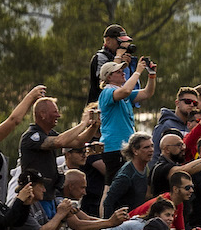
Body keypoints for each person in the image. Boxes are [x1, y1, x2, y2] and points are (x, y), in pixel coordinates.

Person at [95, 59, 154, 211]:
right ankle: (105, 220)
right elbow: (126, 91)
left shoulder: (123, 94)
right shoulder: (107, 92)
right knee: (111, 188)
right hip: (114, 146)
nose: (123, 73)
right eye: (118, 71)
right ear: (108, 77)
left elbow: (147, 93)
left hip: (124, 147)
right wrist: (138, 71)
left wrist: (151, 74)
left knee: (124, 186)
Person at [16, 97, 97, 201]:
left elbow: (78, 142)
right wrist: (83, 123)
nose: (58, 115)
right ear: (42, 114)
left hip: (49, 195)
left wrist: (93, 126)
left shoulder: (50, 134)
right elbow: (60, 142)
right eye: (55, 112)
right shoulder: (31, 136)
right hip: (36, 198)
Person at [104, 133, 154, 216]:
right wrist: (109, 225)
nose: (151, 150)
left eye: (152, 146)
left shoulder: (145, 167)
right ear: (135, 151)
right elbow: (108, 201)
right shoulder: (126, 176)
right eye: (146, 147)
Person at [87, 25, 131, 104]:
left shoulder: (119, 56)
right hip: (100, 105)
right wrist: (118, 57)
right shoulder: (100, 57)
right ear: (108, 41)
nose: (122, 45)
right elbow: (106, 80)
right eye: (120, 42)